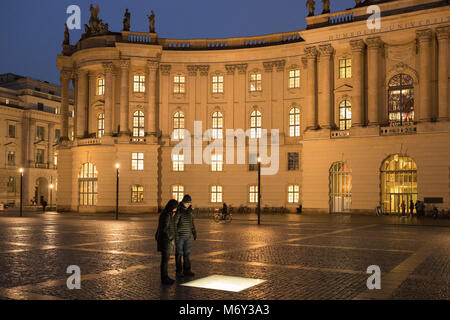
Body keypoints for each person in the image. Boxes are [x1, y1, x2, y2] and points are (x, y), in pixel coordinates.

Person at [155, 199, 178, 285]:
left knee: (165, 260)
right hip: (166, 241)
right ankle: (164, 278)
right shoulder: (166, 215)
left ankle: (166, 277)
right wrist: (171, 237)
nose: (176, 209)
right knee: (164, 261)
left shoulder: (166, 214)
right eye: (175, 207)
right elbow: (164, 228)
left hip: (165, 240)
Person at [174, 195, 197, 278]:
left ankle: (187, 270)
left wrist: (194, 232)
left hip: (187, 236)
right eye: (187, 203)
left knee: (187, 254)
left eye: (189, 203)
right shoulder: (179, 211)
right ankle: (179, 271)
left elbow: (192, 223)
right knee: (179, 254)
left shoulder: (190, 212)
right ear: (183, 202)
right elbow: (175, 224)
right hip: (180, 236)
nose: (188, 204)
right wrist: (176, 235)